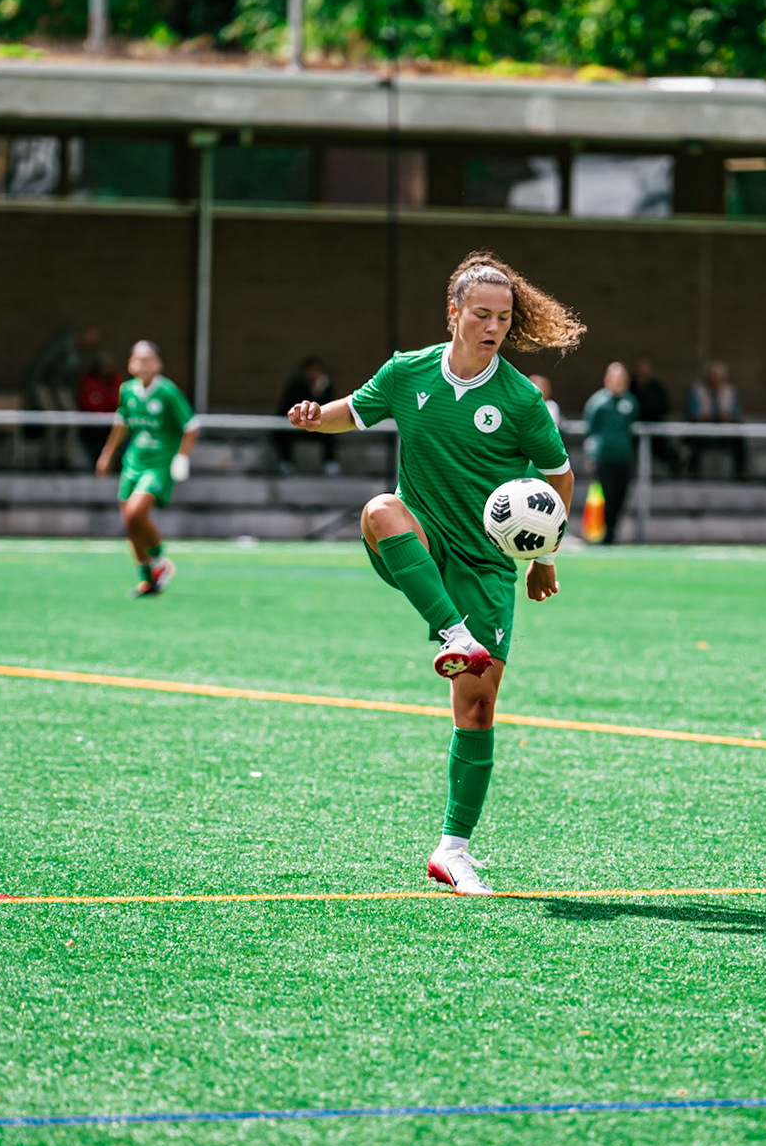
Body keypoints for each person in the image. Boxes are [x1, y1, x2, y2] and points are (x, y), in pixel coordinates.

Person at [286, 251, 582, 896]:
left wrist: (543, 556)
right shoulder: (407, 372)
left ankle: (452, 851)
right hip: (420, 535)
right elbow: (354, 409)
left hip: (484, 561)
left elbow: (558, 477)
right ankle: (453, 633)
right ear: (453, 313)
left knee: (476, 711)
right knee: (379, 509)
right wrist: (316, 417)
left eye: (503, 317)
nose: (493, 326)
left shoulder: (519, 398)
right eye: (481, 314)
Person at [95, 340, 199, 597]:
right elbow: (122, 423)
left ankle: (160, 562)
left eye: (147, 359)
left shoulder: (167, 392)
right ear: (130, 363)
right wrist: (108, 454)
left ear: (158, 363)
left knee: (135, 514)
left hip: (158, 465)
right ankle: (148, 579)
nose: (142, 363)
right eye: (137, 359)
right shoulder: (127, 391)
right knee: (131, 525)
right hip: (133, 463)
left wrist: (182, 458)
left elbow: (191, 426)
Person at [27, 324, 99, 469]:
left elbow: (72, 377)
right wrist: (32, 390)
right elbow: (40, 367)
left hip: (61, 387)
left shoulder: (79, 352)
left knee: (72, 419)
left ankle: (65, 457)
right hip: (44, 384)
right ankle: (50, 458)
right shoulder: (61, 345)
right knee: (53, 420)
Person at [584, 361, 639, 544]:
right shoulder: (598, 402)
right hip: (603, 456)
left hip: (623, 456)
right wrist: (591, 454)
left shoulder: (630, 402)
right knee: (604, 495)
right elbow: (590, 429)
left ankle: (613, 531)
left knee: (620, 495)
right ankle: (602, 534)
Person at [273, 356, 337, 475]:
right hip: (296, 424)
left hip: (317, 425)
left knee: (333, 430)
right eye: (311, 370)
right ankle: (286, 462)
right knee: (280, 433)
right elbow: (288, 406)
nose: (313, 374)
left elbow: (330, 408)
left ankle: (330, 463)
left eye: (317, 370)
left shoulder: (325, 386)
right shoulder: (295, 385)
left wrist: (318, 393)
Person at [685, 361, 746, 479]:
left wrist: (726, 418)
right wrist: (708, 417)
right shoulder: (697, 391)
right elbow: (692, 415)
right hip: (702, 433)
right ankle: (693, 474)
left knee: (739, 440)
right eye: (712, 378)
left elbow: (737, 416)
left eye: (718, 379)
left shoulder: (730, 392)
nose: (715, 382)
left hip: (724, 433)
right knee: (693, 441)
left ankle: (740, 474)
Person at [628, 355, 674, 473]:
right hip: (632, 434)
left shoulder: (658, 389)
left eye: (646, 370)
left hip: (656, 432)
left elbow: (663, 409)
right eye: (640, 370)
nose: (643, 373)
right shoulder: (629, 389)